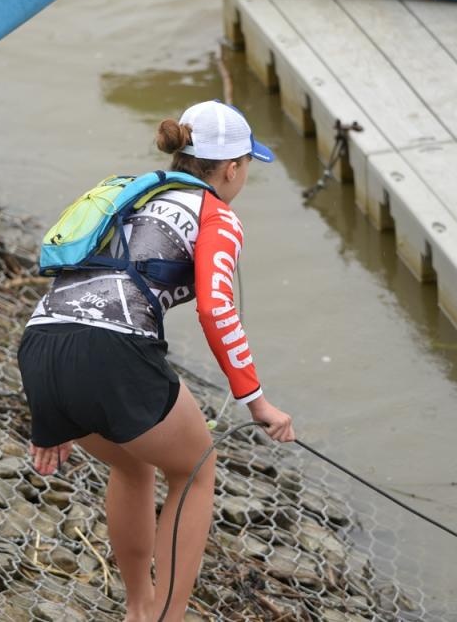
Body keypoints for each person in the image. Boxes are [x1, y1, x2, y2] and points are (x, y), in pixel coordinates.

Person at [17, 100, 296, 622]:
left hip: (40, 346)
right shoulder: (216, 214)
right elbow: (217, 308)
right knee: (195, 469)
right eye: (246, 167)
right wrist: (255, 400)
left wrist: (47, 414)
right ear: (232, 168)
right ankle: (166, 618)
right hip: (110, 352)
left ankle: (138, 607)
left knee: (131, 461)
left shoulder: (131, 191)